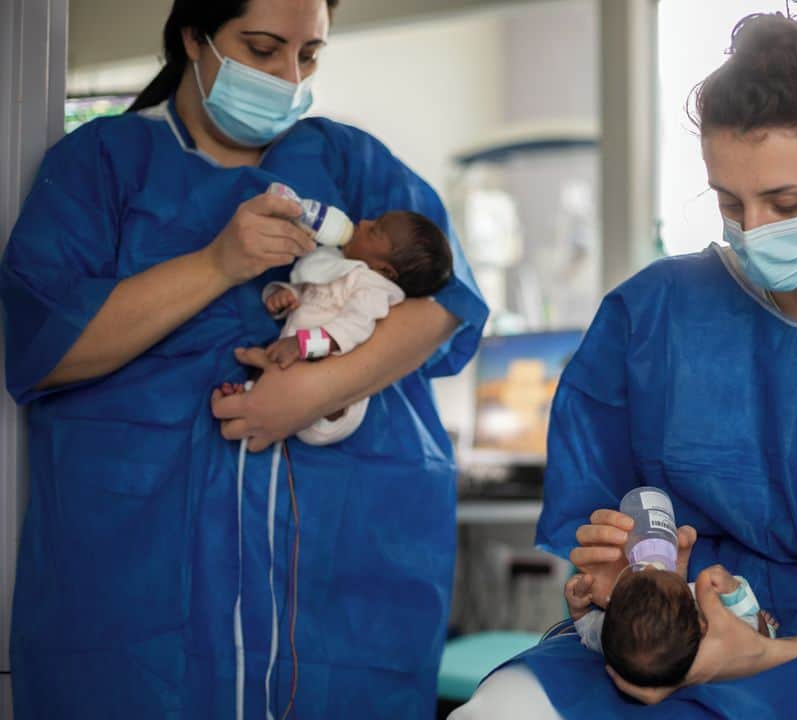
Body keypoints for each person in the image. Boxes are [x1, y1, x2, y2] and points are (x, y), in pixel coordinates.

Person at [451, 13, 797, 720]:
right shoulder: (656, 313)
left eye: (786, 203)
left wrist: (768, 654)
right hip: (673, 640)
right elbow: (603, 531)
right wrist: (615, 594)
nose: (753, 232)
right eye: (728, 203)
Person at [0, 1, 487, 718]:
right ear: (196, 36)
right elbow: (46, 346)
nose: (289, 78)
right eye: (262, 49)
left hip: (337, 572)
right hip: (136, 571)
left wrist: (314, 391)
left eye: (309, 55)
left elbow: (448, 302)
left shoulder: (354, 167)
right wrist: (217, 264)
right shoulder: (102, 165)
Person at [219, 206, 454, 445]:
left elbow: (350, 330)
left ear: (384, 270)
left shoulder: (372, 291)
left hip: (332, 408)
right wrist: (287, 295)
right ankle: (247, 395)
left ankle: (272, 403)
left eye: (374, 231)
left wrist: (303, 345)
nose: (363, 222)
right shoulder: (336, 262)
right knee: (270, 371)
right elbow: (312, 293)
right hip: (293, 362)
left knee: (314, 411)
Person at [566, 564, 777, 689]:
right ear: (702, 624)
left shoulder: (609, 632)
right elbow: (757, 645)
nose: (649, 566)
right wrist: (734, 592)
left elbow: (585, 629)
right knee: (761, 629)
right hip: (752, 641)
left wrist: (578, 609)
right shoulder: (721, 643)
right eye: (674, 582)